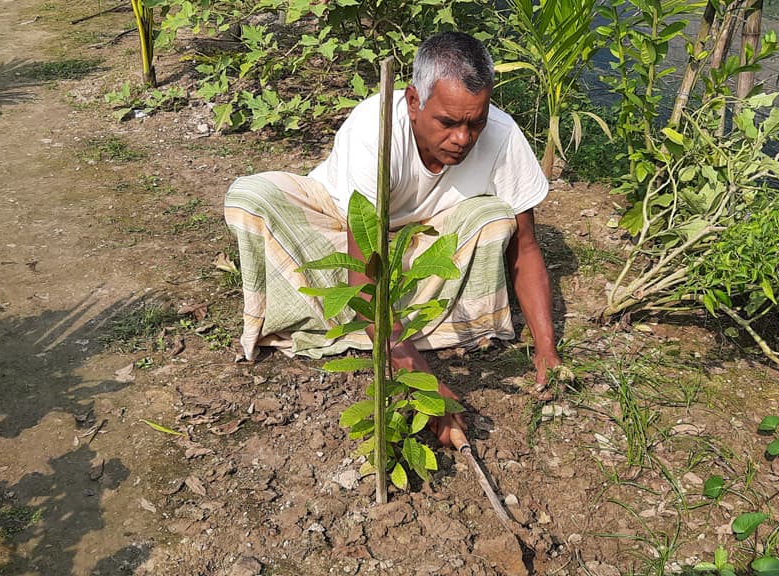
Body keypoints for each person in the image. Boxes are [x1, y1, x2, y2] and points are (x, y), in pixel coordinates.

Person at [224, 31, 561, 446]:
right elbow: (365, 265)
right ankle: (395, 328)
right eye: (448, 122)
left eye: (475, 123)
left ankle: (355, 321)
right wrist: (421, 381)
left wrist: (547, 351)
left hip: (425, 237)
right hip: (341, 222)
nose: (462, 138)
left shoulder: (504, 136)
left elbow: (526, 250)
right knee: (251, 198)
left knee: (495, 219)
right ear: (414, 102)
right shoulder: (376, 128)